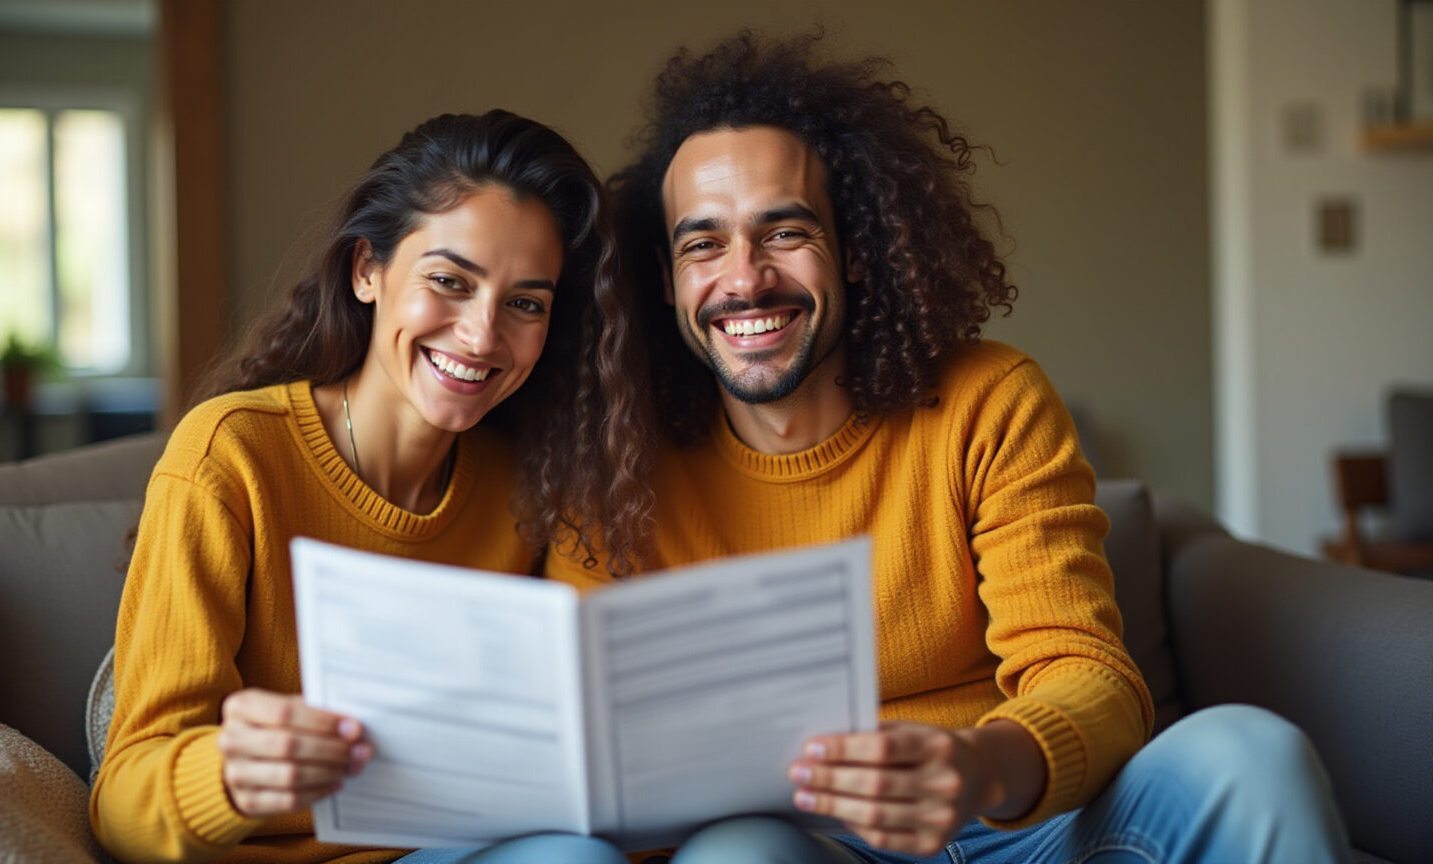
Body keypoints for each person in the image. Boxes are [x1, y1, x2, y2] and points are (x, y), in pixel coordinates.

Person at [547, 31, 1354, 864]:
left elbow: (1088, 673)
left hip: (1023, 823)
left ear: (855, 250)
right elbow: (594, 751)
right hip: (804, 843)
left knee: (1254, 754)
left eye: (784, 233)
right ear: (666, 277)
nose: (745, 278)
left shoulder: (989, 401)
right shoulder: (617, 463)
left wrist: (973, 768)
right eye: (704, 244)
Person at [90, 110, 653, 864]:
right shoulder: (231, 457)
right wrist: (229, 776)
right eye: (449, 282)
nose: (482, 334)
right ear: (366, 271)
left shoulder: (531, 481)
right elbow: (122, 800)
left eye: (525, 303)